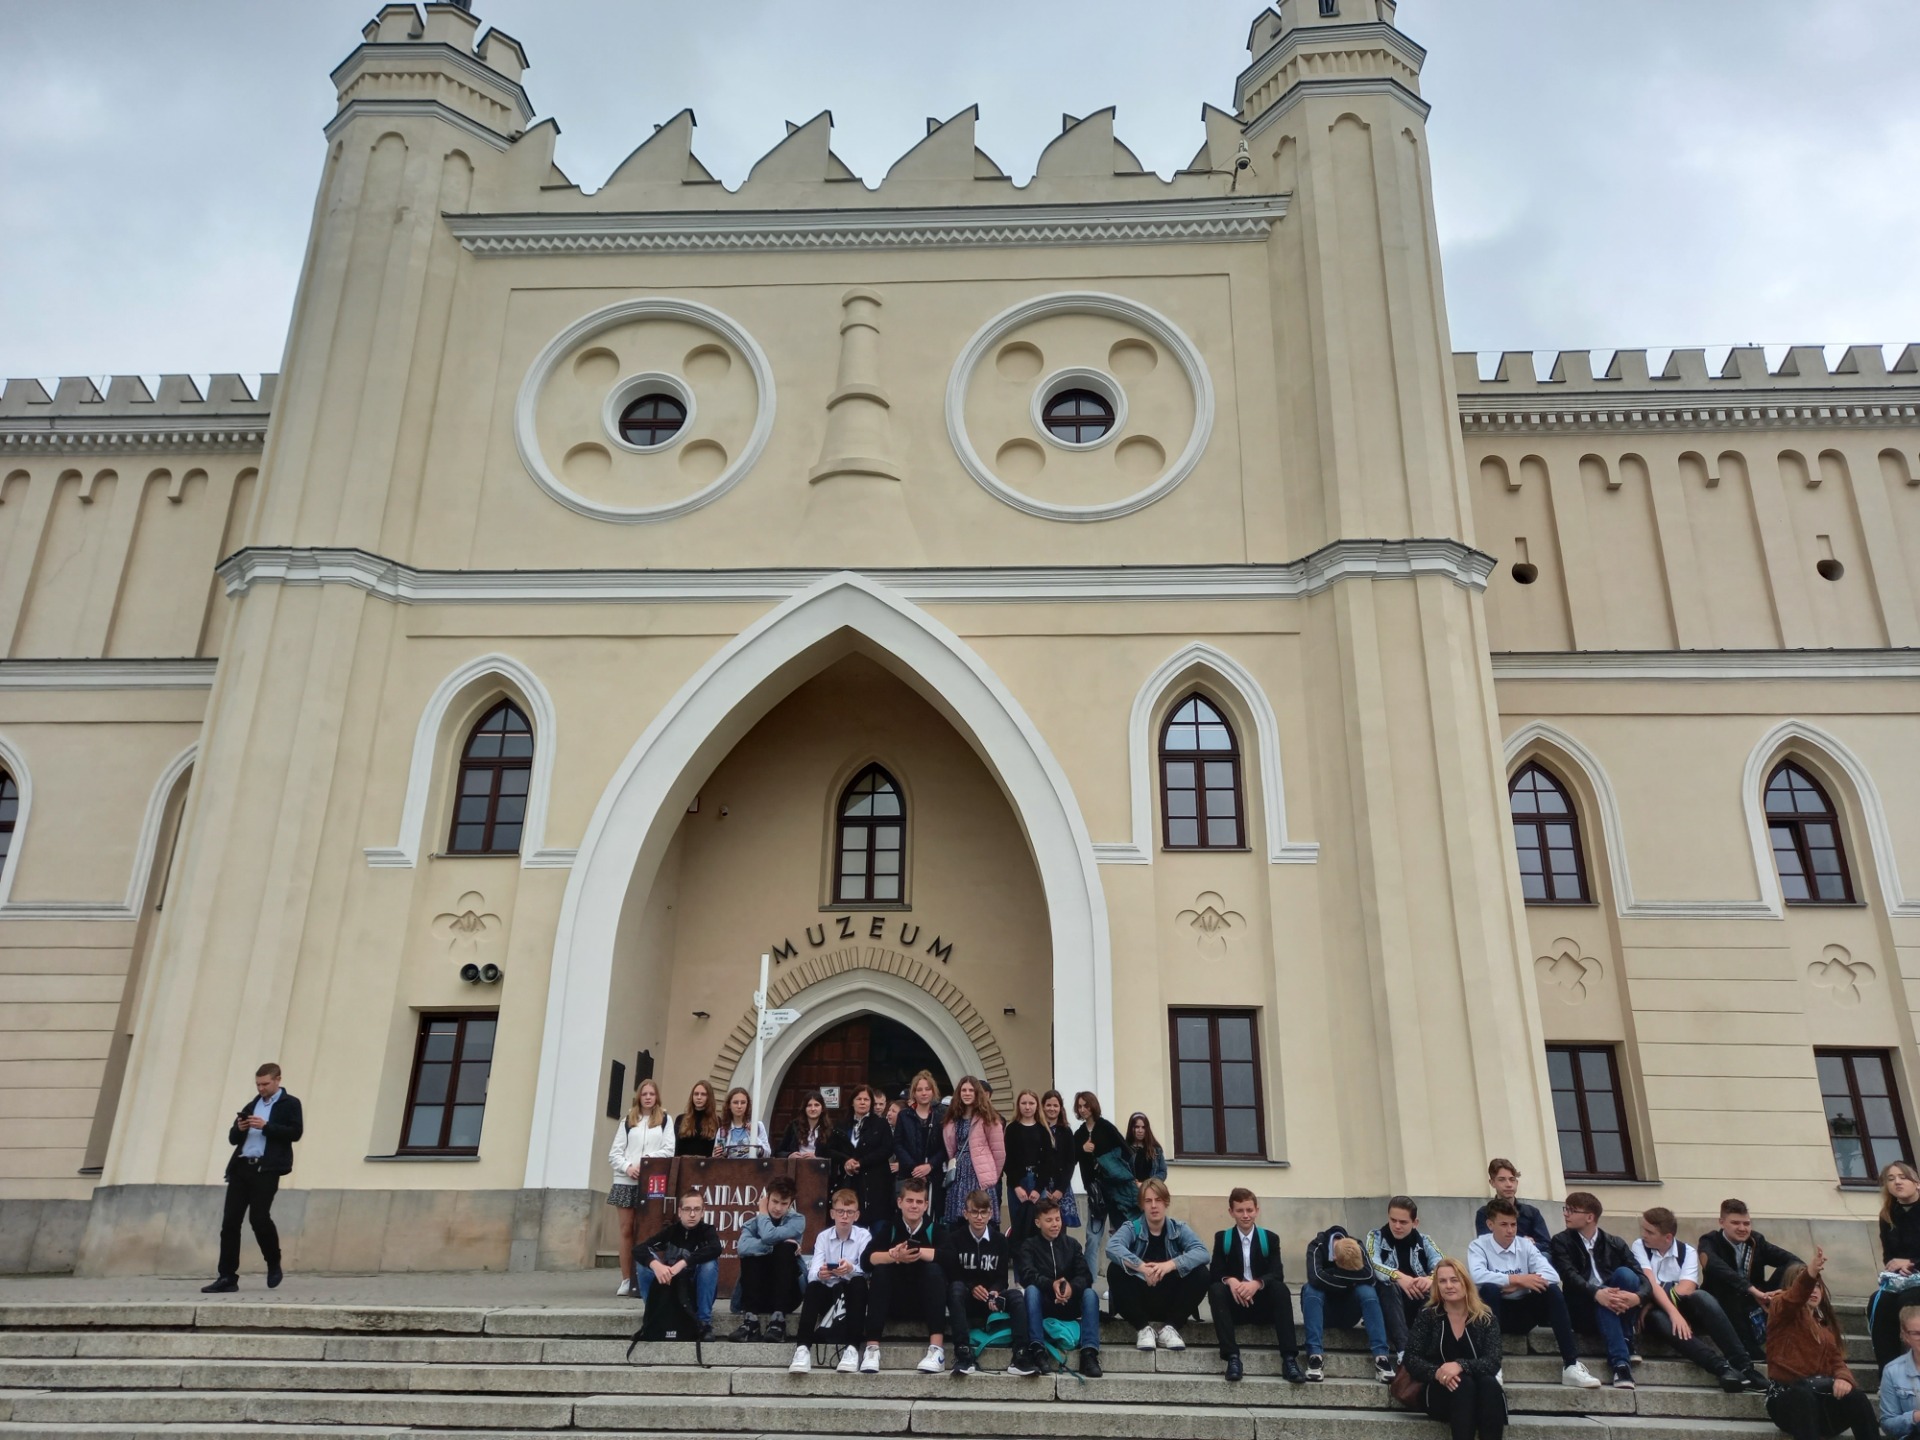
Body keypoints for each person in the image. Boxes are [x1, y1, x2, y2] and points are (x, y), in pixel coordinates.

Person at [1467, 1197, 1603, 1389]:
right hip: (1494, 1313)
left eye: (1513, 1224)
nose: (1510, 1230)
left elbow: (1552, 1275)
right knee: (1489, 1289)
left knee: (1552, 1290)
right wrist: (1520, 1279)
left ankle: (1571, 1365)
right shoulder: (1479, 1245)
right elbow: (1478, 1276)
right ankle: (1492, 1365)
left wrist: (1520, 1284)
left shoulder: (1525, 1245)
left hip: (1525, 1312)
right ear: (1490, 1224)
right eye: (1503, 1224)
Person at [1631, 1205, 1764, 1394]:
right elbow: (1649, 1283)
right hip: (1655, 1317)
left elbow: (1687, 1288)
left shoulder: (1687, 1251)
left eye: (1649, 1232)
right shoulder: (1639, 1247)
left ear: (1667, 1237)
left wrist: (1656, 1300)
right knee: (1659, 1317)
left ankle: (1744, 1366)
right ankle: (1721, 1367)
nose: (1644, 1234)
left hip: (1679, 1308)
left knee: (1701, 1296)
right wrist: (1671, 1311)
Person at [202, 1062, 302, 1293]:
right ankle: (227, 1277)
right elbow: (233, 1138)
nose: (261, 1088)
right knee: (229, 1223)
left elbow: (295, 1133)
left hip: (266, 1169)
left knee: (259, 1218)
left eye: (265, 1084)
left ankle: (273, 1262)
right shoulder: (252, 1104)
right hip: (241, 1168)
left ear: (278, 1080)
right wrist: (241, 1127)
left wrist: (266, 1126)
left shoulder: (290, 1103)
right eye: (258, 1084)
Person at [1761, 1247, 1877, 1440]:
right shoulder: (1780, 1309)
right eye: (1809, 1285)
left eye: (1817, 1286)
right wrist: (1810, 1274)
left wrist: (1843, 1378)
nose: (1813, 1290)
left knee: (1856, 1397)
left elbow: (1837, 1362)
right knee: (1803, 1396)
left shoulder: (1825, 1326)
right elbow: (1793, 1299)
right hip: (1787, 1402)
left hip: (1820, 1403)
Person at [1547, 1191, 1647, 1389]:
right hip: (1581, 1309)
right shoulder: (1561, 1241)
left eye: (1572, 1210)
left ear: (1590, 1217)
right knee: (1605, 1298)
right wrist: (1596, 1293)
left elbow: (1641, 1276)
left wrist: (1638, 1297)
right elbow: (1568, 1275)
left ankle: (1622, 1358)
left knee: (1625, 1275)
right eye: (1565, 1209)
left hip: (1613, 1305)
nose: (1566, 1214)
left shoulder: (1614, 1242)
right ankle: (1621, 1361)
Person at [1208, 1187, 1305, 1384]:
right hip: (1235, 1305)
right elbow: (1215, 1271)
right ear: (1231, 1212)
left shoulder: (1269, 1238)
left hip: (1261, 1304)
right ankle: (1232, 1358)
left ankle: (1289, 1359)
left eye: (1249, 1210)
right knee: (1216, 1289)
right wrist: (1231, 1280)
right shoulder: (1223, 1238)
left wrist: (1257, 1284)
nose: (1245, 1215)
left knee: (1280, 1289)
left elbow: (1277, 1272)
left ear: (1257, 1210)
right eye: (1240, 1210)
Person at [1403, 1256, 1506, 1440]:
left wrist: (1460, 1366)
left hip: (1480, 1393)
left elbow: (1493, 1361)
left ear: (1465, 1283)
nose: (1448, 1286)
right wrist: (1438, 1373)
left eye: (1454, 1280)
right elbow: (1411, 1358)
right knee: (1463, 1384)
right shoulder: (1429, 1316)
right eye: (1442, 1281)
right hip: (1439, 1392)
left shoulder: (1485, 1318)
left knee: (1489, 1384)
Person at [941, 1187, 1038, 1376]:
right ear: (965, 1214)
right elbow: (952, 1274)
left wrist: (995, 1291)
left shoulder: (1000, 1240)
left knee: (1017, 1296)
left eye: (983, 1212)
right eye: (974, 1212)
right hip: (966, 1299)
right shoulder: (955, 1239)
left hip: (991, 1300)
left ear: (990, 1213)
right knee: (955, 1289)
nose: (979, 1217)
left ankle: (1020, 1355)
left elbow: (1002, 1278)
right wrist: (971, 1288)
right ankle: (963, 1353)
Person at [1106, 1179, 1211, 1350]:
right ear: (1142, 1205)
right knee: (1115, 1269)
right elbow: (1112, 1247)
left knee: (1202, 1273)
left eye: (1158, 1200)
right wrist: (1142, 1269)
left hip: (1170, 1297)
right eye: (1148, 1201)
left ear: (1166, 1202)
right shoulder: (1132, 1228)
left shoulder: (1178, 1228)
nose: (1154, 1206)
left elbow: (1203, 1252)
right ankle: (1143, 1329)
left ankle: (1170, 1328)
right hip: (1140, 1298)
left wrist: (1170, 1265)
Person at [860, 1174, 948, 1374]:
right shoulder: (889, 1228)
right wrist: (894, 1255)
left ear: (926, 1205)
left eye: (919, 1202)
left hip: (925, 1303)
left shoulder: (936, 1229)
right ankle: (872, 1348)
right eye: (909, 1200)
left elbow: (951, 1259)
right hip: (894, 1302)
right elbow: (866, 1260)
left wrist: (918, 1253)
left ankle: (937, 1350)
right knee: (881, 1270)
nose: (914, 1206)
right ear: (900, 1202)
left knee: (934, 1269)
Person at [1017, 1196, 1103, 1378]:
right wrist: (1051, 1285)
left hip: (1069, 1303)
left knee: (1090, 1294)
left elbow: (1085, 1275)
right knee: (1031, 1291)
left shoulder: (1071, 1245)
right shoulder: (1029, 1246)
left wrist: (1071, 1287)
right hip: (1046, 1303)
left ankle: (1089, 1353)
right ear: (1038, 1222)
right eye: (1049, 1220)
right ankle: (1037, 1349)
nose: (1055, 1224)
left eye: (1057, 1219)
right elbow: (1027, 1275)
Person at [1700, 1198, 1801, 1350]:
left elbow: (1794, 1261)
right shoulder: (1710, 1241)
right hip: (1724, 1299)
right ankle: (1751, 1351)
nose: (1742, 1228)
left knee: (1794, 1269)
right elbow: (1716, 1268)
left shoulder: (1756, 1240)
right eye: (1735, 1223)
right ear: (1721, 1222)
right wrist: (1751, 1289)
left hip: (1757, 1298)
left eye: (1746, 1223)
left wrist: (1782, 1292)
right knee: (1729, 1289)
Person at [608, 1078, 676, 1297]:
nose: (648, 1097)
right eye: (644, 1094)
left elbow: (668, 1150)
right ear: (639, 1096)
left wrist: (646, 1160)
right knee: (627, 1229)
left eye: (651, 1094)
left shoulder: (665, 1119)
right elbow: (615, 1153)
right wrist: (628, 1167)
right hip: (626, 1180)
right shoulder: (628, 1120)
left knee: (648, 1229)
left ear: (657, 1097)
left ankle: (648, 1276)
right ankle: (627, 1279)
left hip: (652, 1181)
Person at [791, 1189, 871, 1374]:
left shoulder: (863, 1236)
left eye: (850, 1212)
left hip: (851, 1294)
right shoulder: (823, 1237)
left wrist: (851, 1269)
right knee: (813, 1287)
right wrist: (822, 1273)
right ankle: (802, 1348)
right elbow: (812, 1273)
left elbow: (866, 1270)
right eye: (840, 1211)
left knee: (859, 1283)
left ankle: (852, 1348)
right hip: (828, 1294)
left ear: (857, 1215)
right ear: (832, 1213)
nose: (845, 1216)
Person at [1302, 1226, 1394, 1383]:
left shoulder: (1356, 1245)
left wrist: (1331, 1275)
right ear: (1334, 1258)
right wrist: (1352, 1280)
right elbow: (1316, 1277)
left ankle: (1381, 1358)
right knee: (1311, 1289)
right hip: (1323, 1313)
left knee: (1367, 1291)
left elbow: (1370, 1276)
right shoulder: (1317, 1246)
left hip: (1349, 1313)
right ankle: (1315, 1357)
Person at [637, 1190, 723, 1341]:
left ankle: (704, 1323)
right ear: (680, 1212)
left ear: (703, 1212)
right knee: (644, 1263)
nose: (692, 1214)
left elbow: (716, 1248)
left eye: (697, 1209)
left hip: (693, 1292)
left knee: (709, 1263)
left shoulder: (707, 1231)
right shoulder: (671, 1231)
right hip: (671, 1290)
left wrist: (683, 1263)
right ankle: (652, 1316)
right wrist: (656, 1265)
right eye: (687, 1209)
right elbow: (639, 1249)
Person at [1367, 1195, 1443, 1363]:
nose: (1397, 1226)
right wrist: (1398, 1276)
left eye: (1403, 1222)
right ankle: (1403, 1350)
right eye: (1393, 1220)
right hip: (1389, 1304)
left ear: (1415, 1222)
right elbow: (1372, 1264)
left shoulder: (1425, 1240)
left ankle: (1437, 1350)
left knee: (1441, 1288)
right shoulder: (1375, 1237)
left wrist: (1430, 1279)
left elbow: (1443, 1266)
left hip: (1418, 1301)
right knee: (1387, 1285)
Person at [733, 1175, 806, 1343]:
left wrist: (763, 1214)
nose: (778, 1208)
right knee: (751, 1255)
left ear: (790, 1204)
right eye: (774, 1201)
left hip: (786, 1296)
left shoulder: (797, 1221)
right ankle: (751, 1322)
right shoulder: (752, 1223)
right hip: (757, 1294)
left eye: (783, 1203)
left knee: (785, 1250)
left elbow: (767, 1235)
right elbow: (742, 1248)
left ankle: (778, 1322)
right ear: (766, 1199)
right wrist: (772, 1244)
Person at [1070, 1092, 1125, 1285]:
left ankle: (1118, 1286)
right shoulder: (1079, 1133)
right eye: (1079, 1106)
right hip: (1095, 1194)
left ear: (1093, 1106)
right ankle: (1088, 1286)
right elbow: (1071, 1160)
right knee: (1093, 1239)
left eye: (1086, 1105)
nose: (1083, 1109)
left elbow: (1124, 1150)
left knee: (1118, 1239)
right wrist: (1080, 1149)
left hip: (1116, 1192)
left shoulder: (1106, 1127)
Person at [829, 1084, 895, 1231]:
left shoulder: (880, 1124)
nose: (863, 1102)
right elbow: (829, 1149)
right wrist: (845, 1160)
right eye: (859, 1099)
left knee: (878, 1228)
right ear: (852, 1102)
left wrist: (862, 1162)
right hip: (851, 1182)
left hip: (877, 1182)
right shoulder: (841, 1124)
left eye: (866, 1099)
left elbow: (887, 1149)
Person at [1873, 1161, 1920, 1368]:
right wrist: (1896, 1267)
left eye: (1903, 1177)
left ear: (1917, 1183)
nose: (1897, 1182)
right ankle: (1888, 1372)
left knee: (1906, 1301)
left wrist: (1911, 1262)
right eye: (1891, 1179)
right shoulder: (1888, 1215)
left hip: (1917, 1276)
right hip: (1902, 1278)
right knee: (1878, 1302)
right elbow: (1888, 1256)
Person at [942, 1076, 1006, 1228]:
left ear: (977, 1093)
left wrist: (991, 1177)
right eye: (964, 1090)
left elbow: (999, 1153)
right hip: (959, 1173)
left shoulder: (989, 1117)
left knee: (980, 1218)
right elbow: (951, 1147)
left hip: (980, 1175)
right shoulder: (953, 1117)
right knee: (959, 1220)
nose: (967, 1093)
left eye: (971, 1090)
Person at [894, 1071, 947, 1220]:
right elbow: (898, 1144)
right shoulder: (904, 1115)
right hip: (909, 1174)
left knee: (933, 1216)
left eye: (927, 1089)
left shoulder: (942, 1115)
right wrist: (915, 1168)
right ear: (914, 1093)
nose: (924, 1093)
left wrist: (930, 1166)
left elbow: (946, 1146)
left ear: (933, 1091)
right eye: (919, 1089)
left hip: (934, 1174)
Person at [1004, 1089, 1050, 1245]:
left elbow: (1047, 1162)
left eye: (1031, 1103)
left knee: (1039, 1228)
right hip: (1017, 1183)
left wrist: (1038, 1188)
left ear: (1037, 1105)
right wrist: (1016, 1186)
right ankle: (1019, 1268)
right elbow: (1008, 1160)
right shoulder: (1012, 1129)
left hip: (1037, 1182)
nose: (1027, 1107)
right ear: (1018, 1105)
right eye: (1024, 1103)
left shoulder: (1043, 1130)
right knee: (1019, 1229)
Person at [1472, 1158, 1551, 1248]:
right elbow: (1487, 1245)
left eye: (1512, 1179)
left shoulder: (1532, 1212)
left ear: (1517, 1183)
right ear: (1492, 1183)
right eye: (1502, 1180)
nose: (1509, 1184)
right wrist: (1523, 1243)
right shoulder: (1484, 1213)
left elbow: (1547, 1245)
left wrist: (1529, 1246)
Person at [1037, 1090, 1080, 1234]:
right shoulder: (1038, 1129)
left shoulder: (1066, 1131)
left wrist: (1060, 1190)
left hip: (1061, 1186)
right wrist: (1042, 1187)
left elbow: (1070, 1162)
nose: (1052, 1109)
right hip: (1041, 1186)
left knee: (1059, 1229)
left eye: (1055, 1105)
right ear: (1042, 1106)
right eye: (1048, 1105)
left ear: (1060, 1108)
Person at [1879, 1303, 1920, 1439]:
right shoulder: (1893, 1371)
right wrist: (1914, 1417)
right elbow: (1888, 1424)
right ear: (1905, 1336)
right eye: (1916, 1333)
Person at [714, 1087, 771, 1159]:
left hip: (752, 1169)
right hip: (730, 1169)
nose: (739, 1106)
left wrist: (754, 1135)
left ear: (747, 1105)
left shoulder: (758, 1126)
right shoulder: (723, 1131)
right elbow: (718, 1158)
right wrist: (718, 1154)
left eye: (743, 1102)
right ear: (729, 1105)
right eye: (735, 1102)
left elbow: (767, 1153)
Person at [776, 1091, 834, 1159]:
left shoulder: (830, 1130)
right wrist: (789, 1155)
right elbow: (778, 1152)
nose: (813, 1109)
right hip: (797, 1166)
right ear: (804, 1108)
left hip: (819, 1167)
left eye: (816, 1105)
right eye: (809, 1105)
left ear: (822, 1109)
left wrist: (816, 1158)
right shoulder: (793, 1126)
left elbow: (834, 1156)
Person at [675, 1081, 719, 1156]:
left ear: (709, 1097)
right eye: (696, 1094)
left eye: (703, 1094)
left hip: (706, 1166)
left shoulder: (716, 1121)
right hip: (684, 1165)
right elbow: (676, 1148)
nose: (699, 1097)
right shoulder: (680, 1119)